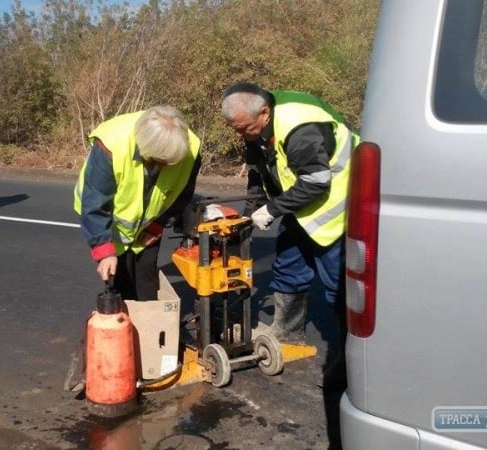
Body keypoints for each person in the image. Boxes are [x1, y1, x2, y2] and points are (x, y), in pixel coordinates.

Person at [220, 82, 356, 371]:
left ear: (265, 113)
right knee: (289, 266)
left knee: (339, 287)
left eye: (244, 129)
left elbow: (317, 183)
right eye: (236, 130)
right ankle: (286, 332)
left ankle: (349, 358)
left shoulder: (299, 126)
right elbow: (258, 175)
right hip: (302, 205)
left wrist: (272, 209)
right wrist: (246, 218)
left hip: (340, 209)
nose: (241, 135)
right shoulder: (254, 127)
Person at [74, 105, 201, 300]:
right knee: (118, 277)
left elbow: (182, 193)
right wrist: (104, 251)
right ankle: (122, 322)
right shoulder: (111, 145)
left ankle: (149, 322)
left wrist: (158, 225)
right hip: (109, 222)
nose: (162, 167)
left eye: (168, 163)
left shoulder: (189, 148)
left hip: (149, 225)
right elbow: (95, 204)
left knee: (146, 277)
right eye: (157, 161)